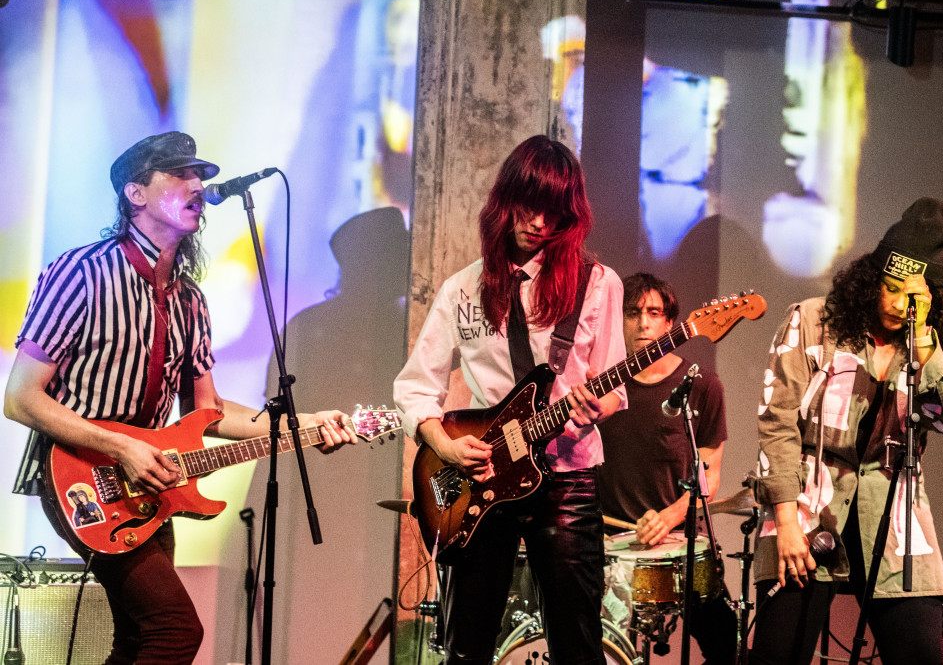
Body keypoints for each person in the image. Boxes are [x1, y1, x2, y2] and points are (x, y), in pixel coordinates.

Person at [3, 131, 355, 665]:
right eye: (180, 174)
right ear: (135, 193)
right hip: (78, 474)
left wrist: (306, 424)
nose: (197, 185)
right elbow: (21, 398)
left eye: (200, 176)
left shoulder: (189, 298)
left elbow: (208, 414)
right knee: (174, 630)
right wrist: (122, 448)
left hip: (149, 480)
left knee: (140, 638)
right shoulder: (82, 272)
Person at [393, 134, 626, 665]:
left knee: (579, 645)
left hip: (566, 478)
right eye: (528, 204)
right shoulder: (463, 289)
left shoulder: (597, 284)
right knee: (466, 648)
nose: (539, 221)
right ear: (504, 201)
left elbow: (612, 386)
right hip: (480, 480)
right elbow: (414, 387)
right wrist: (443, 446)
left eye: (553, 211)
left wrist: (598, 407)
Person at [750, 197, 943, 665]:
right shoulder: (812, 320)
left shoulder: (942, 344)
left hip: (895, 513)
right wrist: (787, 522)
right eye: (889, 287)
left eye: (911, 293)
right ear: (872, 277)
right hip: (807, 509)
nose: (895, 303)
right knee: (777, 653)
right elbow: (778, 422)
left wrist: (924, 349)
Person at [596, 272, 737, 663]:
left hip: (679, 544)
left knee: (727, 646)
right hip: (606, 544)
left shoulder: (702, 384)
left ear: (670, 323)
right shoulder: (599, 386)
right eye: (632, 313)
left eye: (654, 313)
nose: (643, 323)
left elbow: (711, 466)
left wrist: (671, 516)